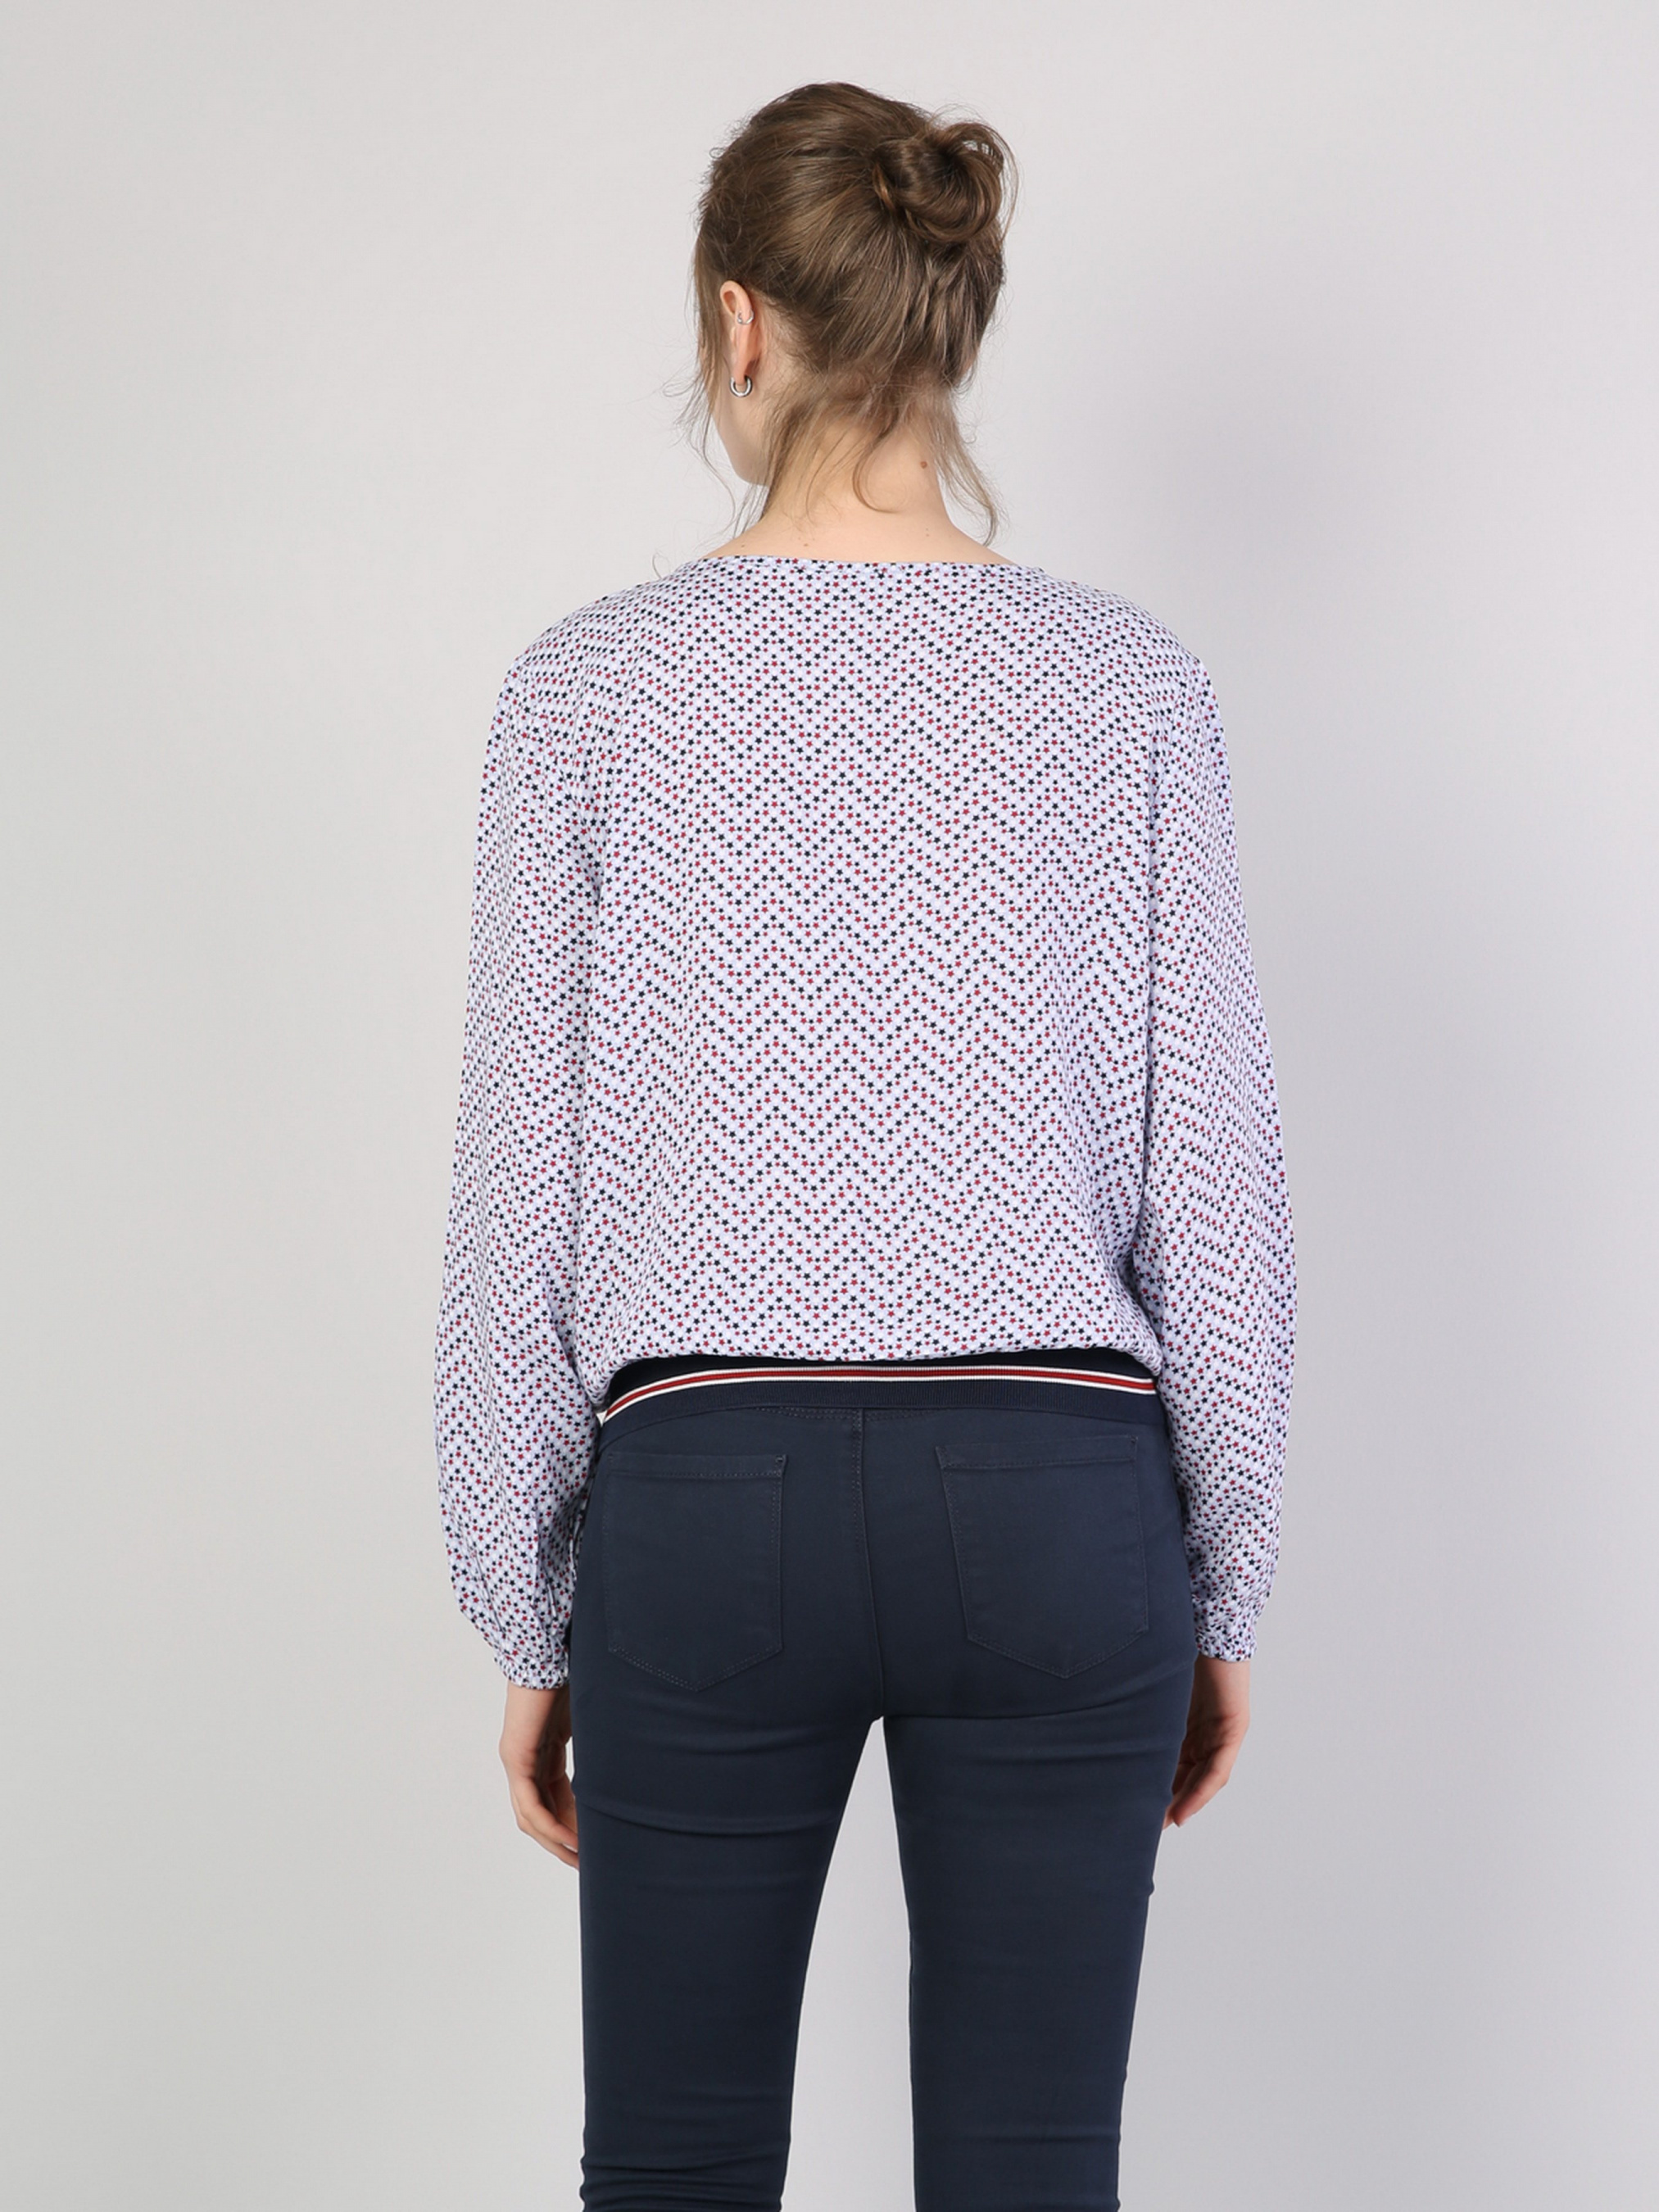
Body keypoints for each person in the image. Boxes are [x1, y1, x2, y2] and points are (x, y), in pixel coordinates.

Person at [434, 78, 1295, 2212]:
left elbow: (515, 1207)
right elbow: (1218, 1192)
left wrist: (527, 1616)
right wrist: (1223, 1582)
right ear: (950, 323)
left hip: (703, 1504)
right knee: (1030, 2175)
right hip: (1060, 1501)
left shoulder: (586, 694)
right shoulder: (1130, 691)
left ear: (739, 323)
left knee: (674, 2168)